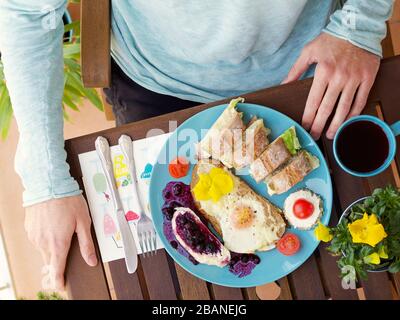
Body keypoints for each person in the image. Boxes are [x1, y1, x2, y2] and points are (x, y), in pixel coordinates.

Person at [0, 0, 394, 290]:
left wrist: (359, 25)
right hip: (157, 82)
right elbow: (27, 11)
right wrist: (46, 182)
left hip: (303, 67)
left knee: (352, 260)